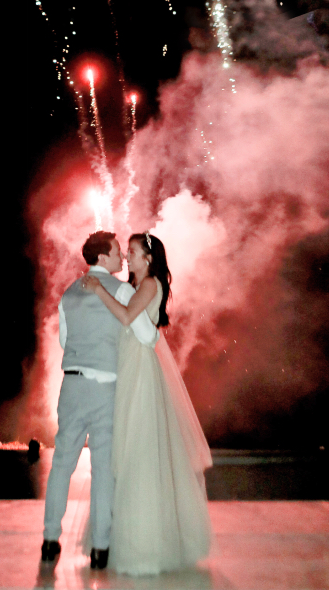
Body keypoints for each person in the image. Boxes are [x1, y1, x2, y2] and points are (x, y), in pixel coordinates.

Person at [83, 232, 212, 576]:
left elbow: (128, 318)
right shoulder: (136, 286)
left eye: (134, 251)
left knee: (137, 450)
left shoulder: (150, 284)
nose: (127, 255)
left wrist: (99, 290)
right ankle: (113, 535)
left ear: (148, 258)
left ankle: (142, 544)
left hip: (139, 370)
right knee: (122, 451)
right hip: (127, 365)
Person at [41, 230, 159, 571]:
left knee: (62, 463)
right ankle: (100, 549)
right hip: (106, 388)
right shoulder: (122, 290)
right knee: (103, 469)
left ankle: (50, 540)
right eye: (118, 252)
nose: (123, 258)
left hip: (71, 385)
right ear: (103, 257)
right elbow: (145, 335)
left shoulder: (68, 292)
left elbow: (65, 340)